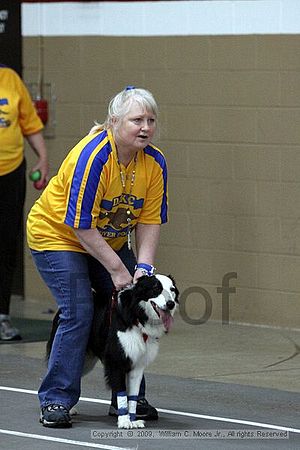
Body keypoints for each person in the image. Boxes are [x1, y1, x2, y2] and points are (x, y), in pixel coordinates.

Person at [26, 86, 168, 428]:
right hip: (58, 236)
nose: (145, 127)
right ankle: (57, 399)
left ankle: (128, 397)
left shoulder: (154, 162)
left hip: (107, 240)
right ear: (114, 122)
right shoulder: (93, 157)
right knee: (79, 310)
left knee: (132, 307)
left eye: (150, 120)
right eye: (137, 120)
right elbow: (81, 226)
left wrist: (143, 269)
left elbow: (149, 220)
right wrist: (119, 271)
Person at [0, 65, 49, 341]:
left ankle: (2, 316)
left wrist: (42, 157)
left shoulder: (10, 79)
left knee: (7, 244)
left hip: (11, 172)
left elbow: (29, 124)